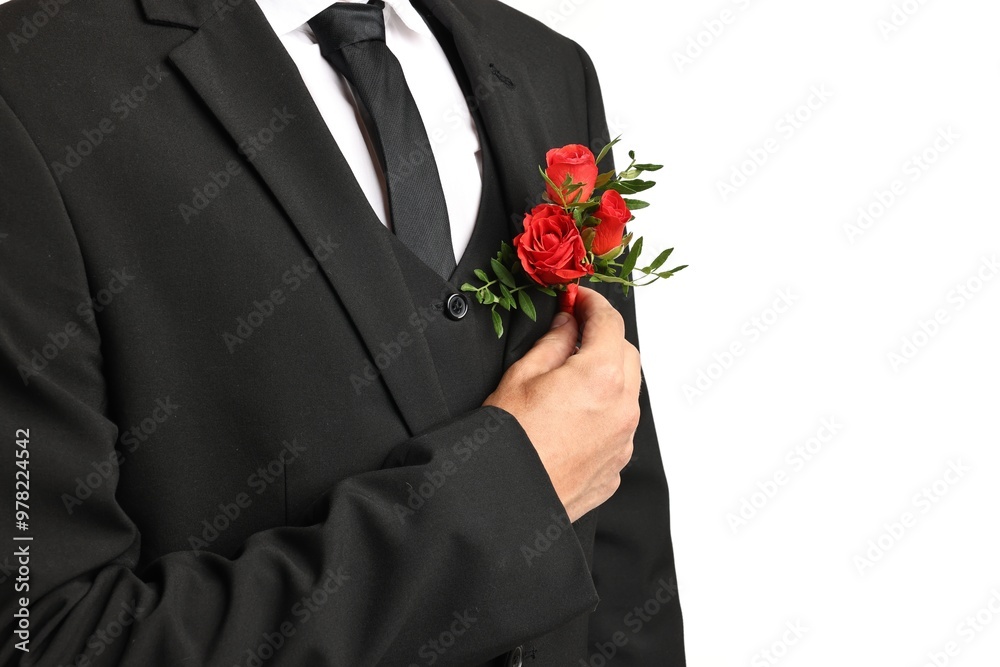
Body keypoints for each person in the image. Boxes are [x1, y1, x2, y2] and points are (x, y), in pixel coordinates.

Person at [0, 0, 685, 663]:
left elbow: (623, 540)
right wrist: (505, 502)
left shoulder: (547, 66)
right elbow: (45, 637)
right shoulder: (29, 85)